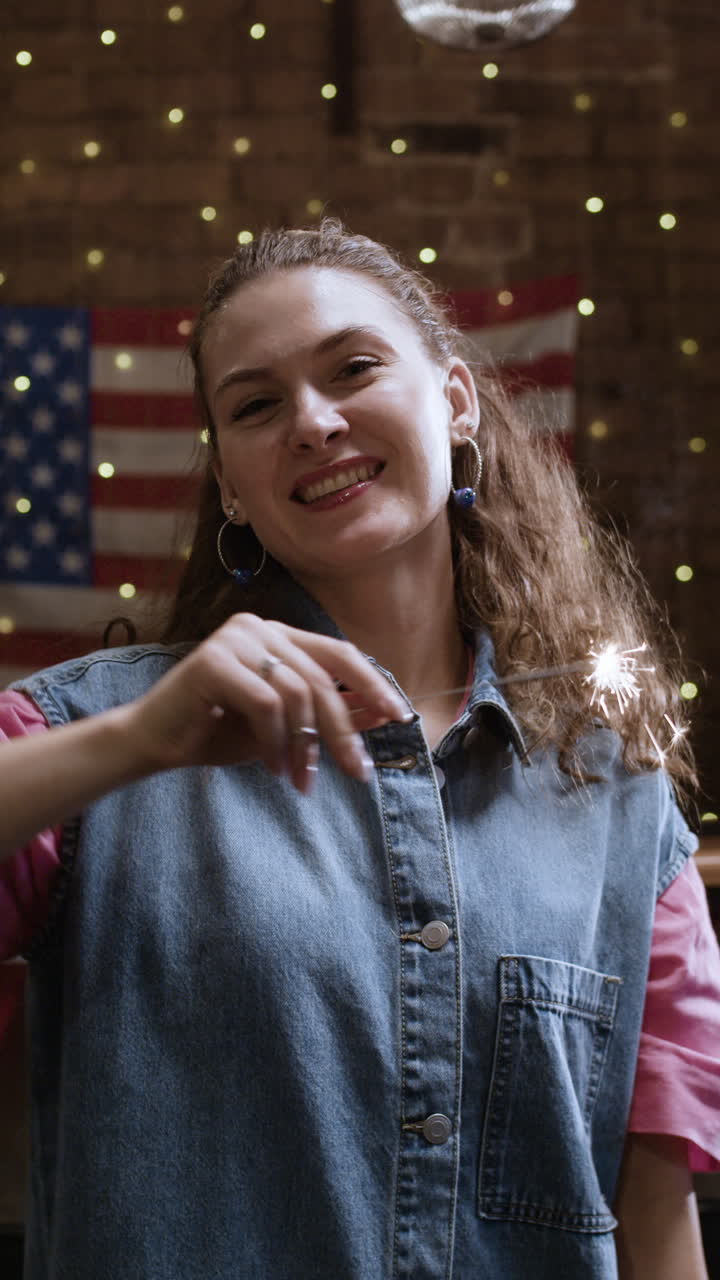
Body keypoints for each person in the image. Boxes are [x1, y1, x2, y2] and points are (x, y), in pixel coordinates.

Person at [1, 220, 718, 1280]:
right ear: (229, 482)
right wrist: (136, 743)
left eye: (355, 367)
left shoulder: (619, 801)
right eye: (256, 404)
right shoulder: (83, 734)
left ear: (457, 401)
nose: (314, 421)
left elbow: (653, 1223)